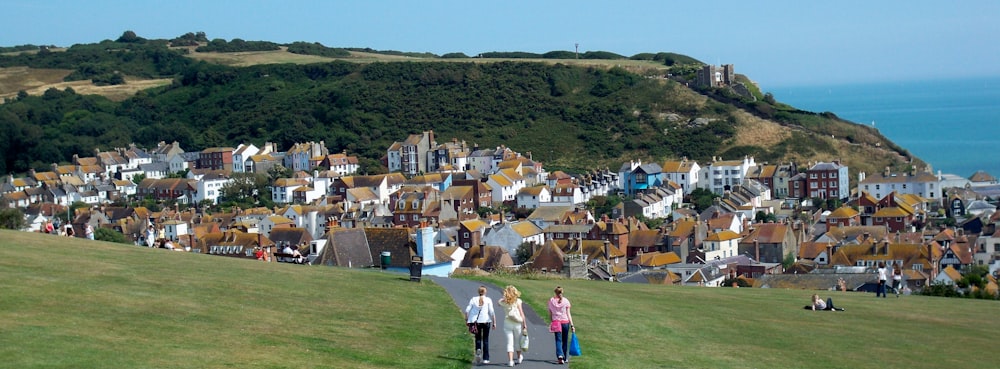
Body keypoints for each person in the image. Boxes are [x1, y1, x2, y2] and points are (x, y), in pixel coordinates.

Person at [465, 285, 496, 365]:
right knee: (486, 340)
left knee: (477, 338)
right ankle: (486, 358)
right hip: (486, 321)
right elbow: (491, 312)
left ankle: (478, 350)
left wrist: (467, 320)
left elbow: (467, 310)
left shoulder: (473, 299)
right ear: (485, 292)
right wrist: (494, 322)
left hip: (476, 322)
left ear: (478, 292)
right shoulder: (488, 300)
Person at [498, 285, 527, 367]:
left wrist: (505, 298)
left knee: (509, 342)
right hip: (517, 323)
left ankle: (510, 361)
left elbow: (498, 302)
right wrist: (524, 324)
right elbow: (522, 313)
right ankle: (518, 357)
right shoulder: (518, 301)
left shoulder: (503, 302)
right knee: (517, 341)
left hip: (507, 323)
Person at [547, 286, 575, 365]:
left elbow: (550, 313)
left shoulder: (551, 301)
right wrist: (572, 325)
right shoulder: (566, 301)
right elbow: (568, 314)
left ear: (555, 292)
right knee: (565, 340)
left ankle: (560, 355)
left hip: (556, 322)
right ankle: (565, 357)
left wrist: (551, 321)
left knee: (558, 340)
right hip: (565, 322)